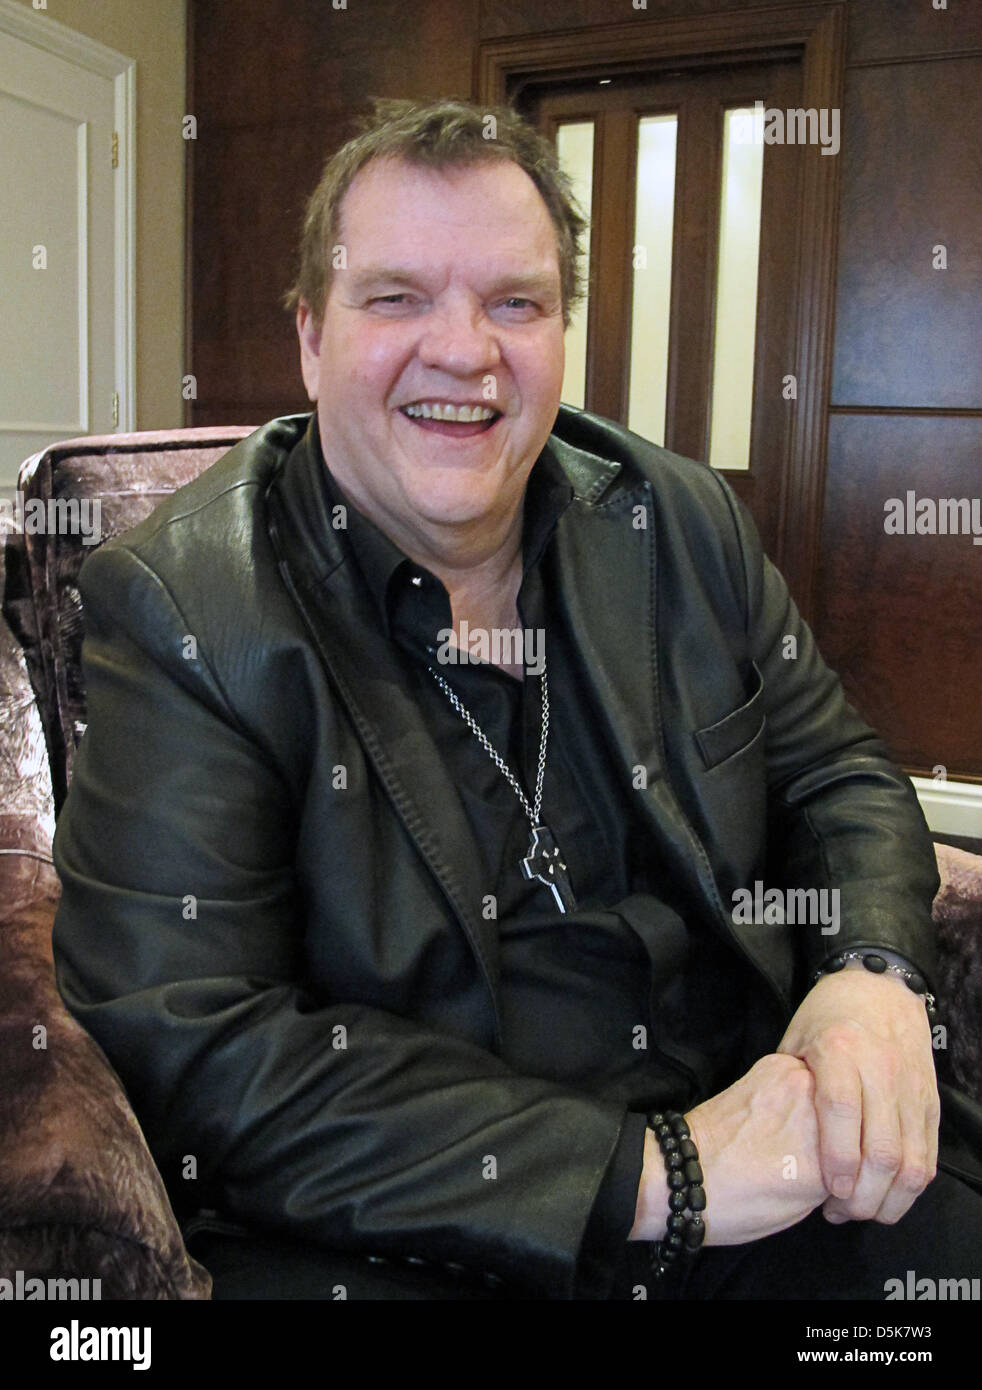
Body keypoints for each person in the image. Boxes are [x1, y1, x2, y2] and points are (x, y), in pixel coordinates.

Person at [51, 96, 982, 1301]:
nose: (463, 350)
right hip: (425, 1222)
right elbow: (198, 1039)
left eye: (515, 302)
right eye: (394, 297)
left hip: (771, 1148)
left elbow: (836, 773)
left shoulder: (677, 518)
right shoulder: (185, 606)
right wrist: (657, 1175)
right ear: (309, 338)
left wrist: (868, 976)